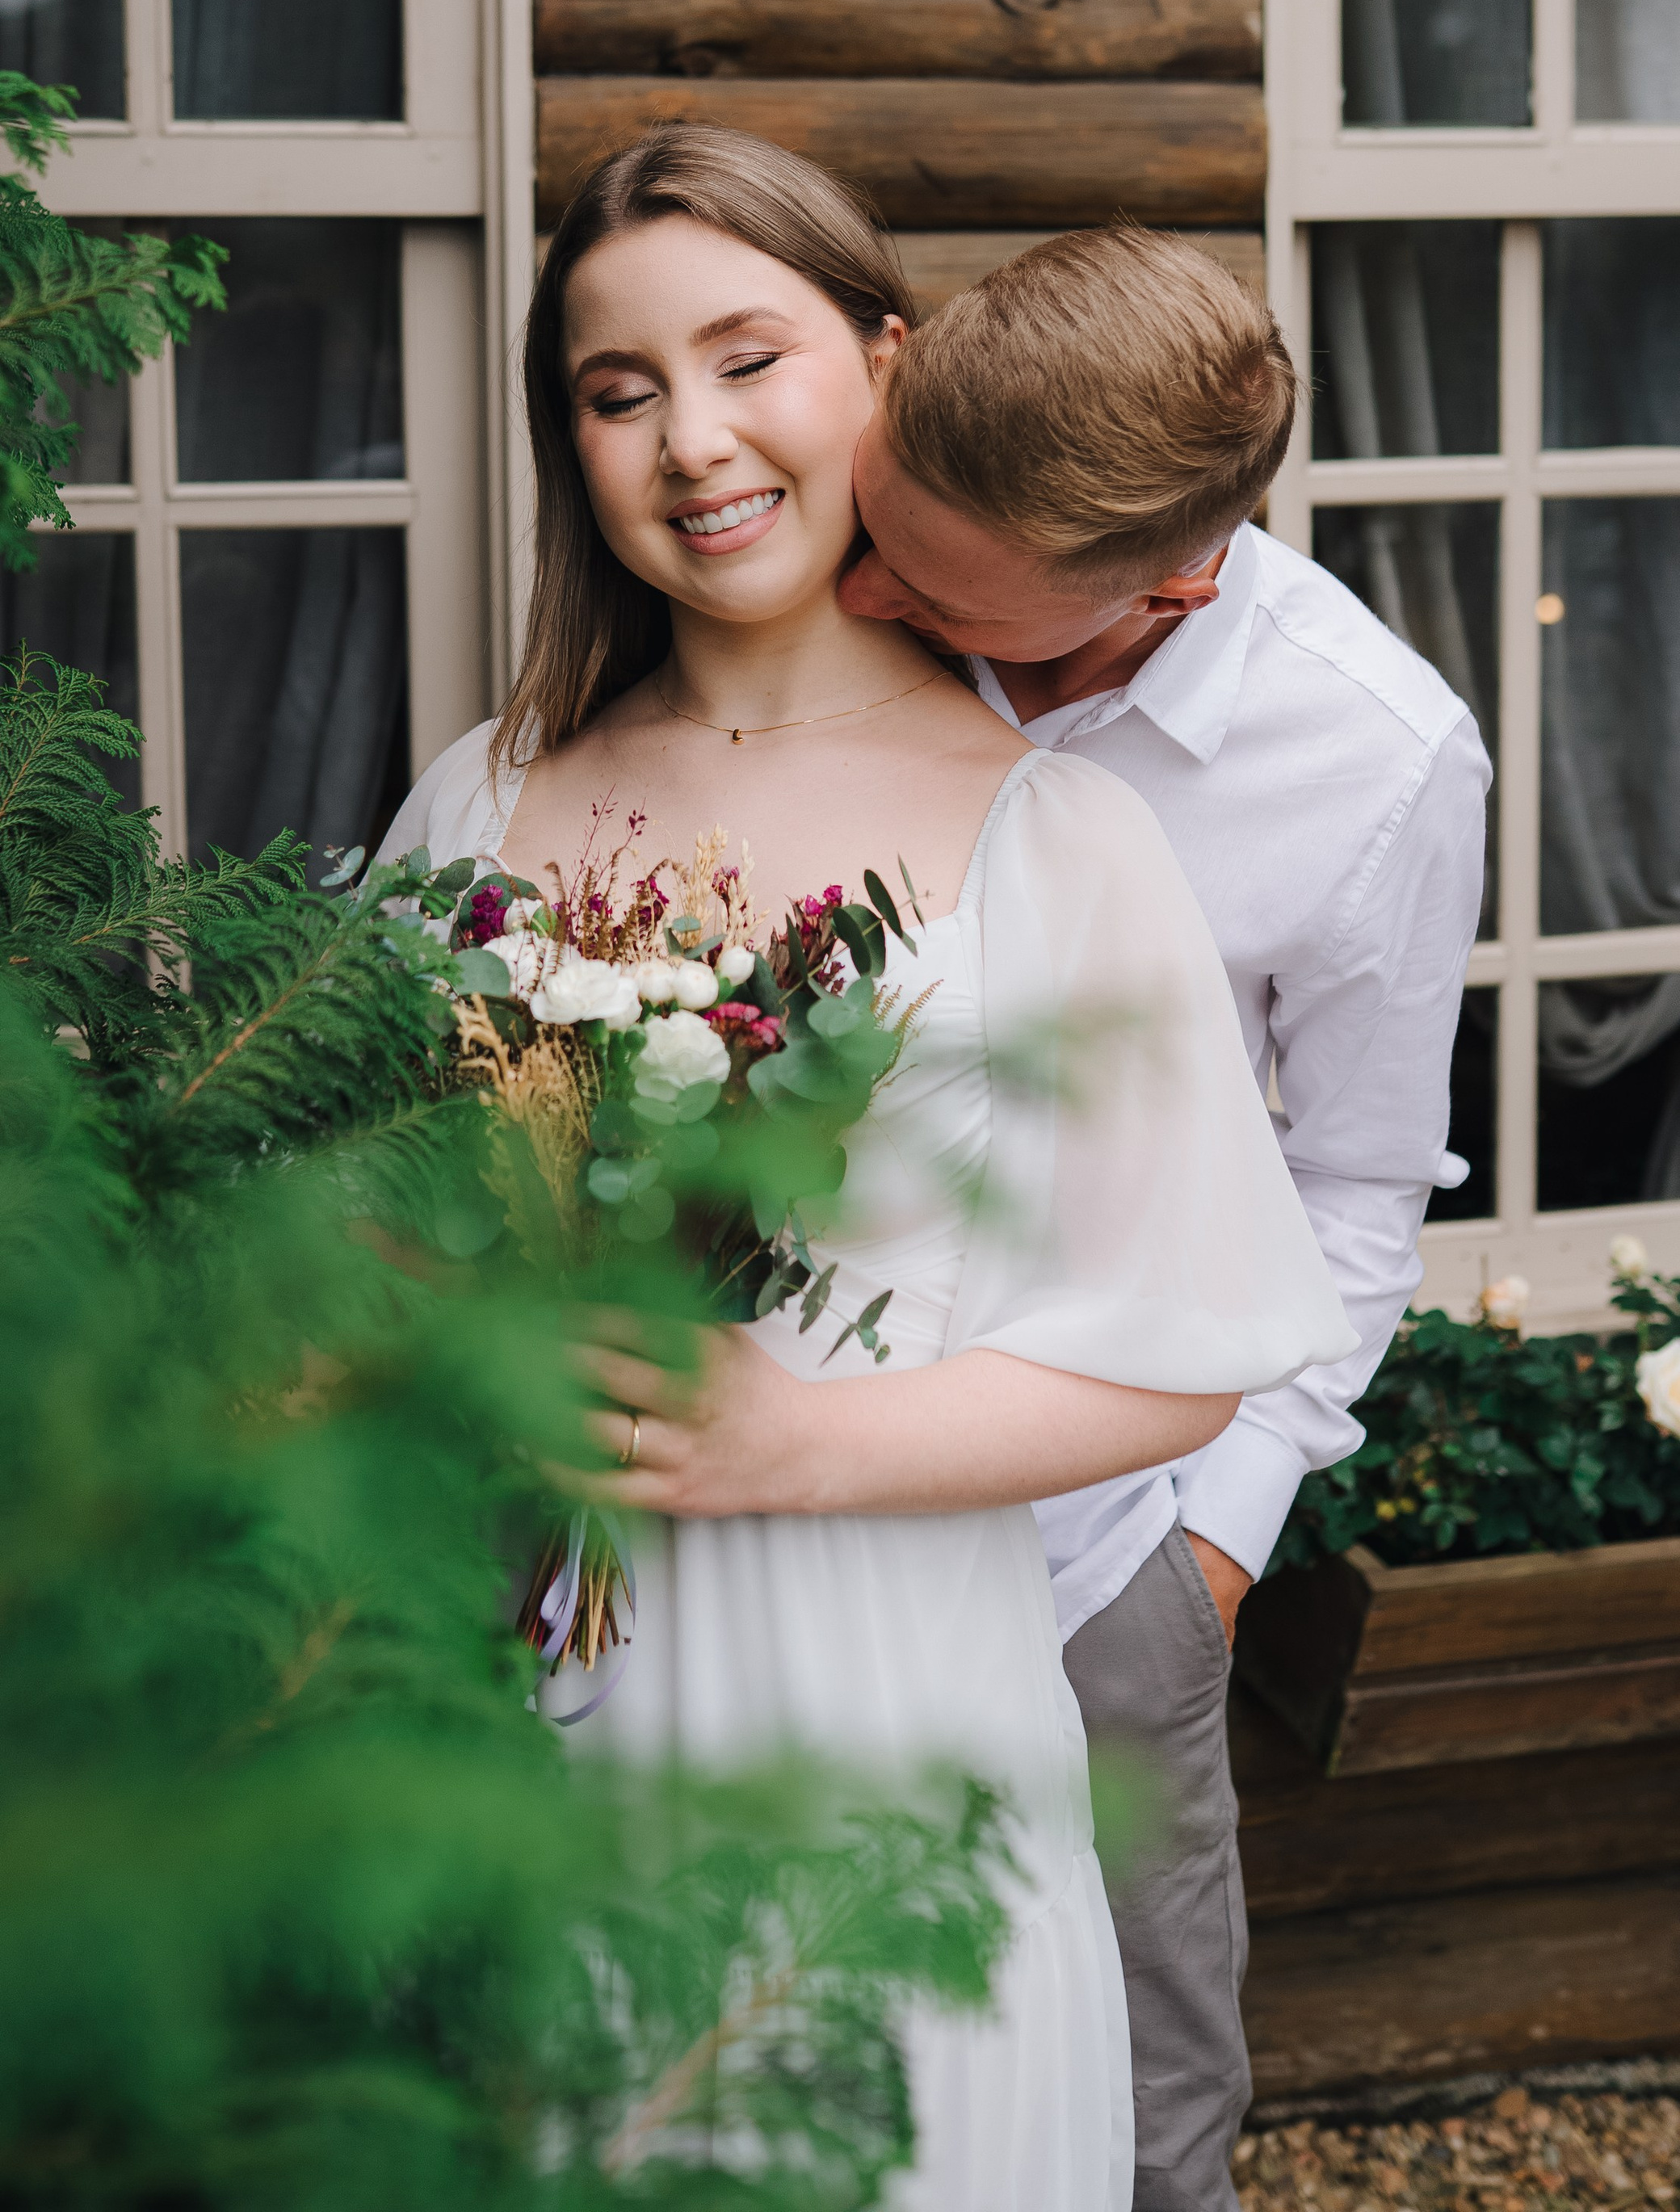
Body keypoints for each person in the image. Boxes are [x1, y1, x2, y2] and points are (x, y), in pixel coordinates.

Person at [381, 129, 1355, 2209]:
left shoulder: (1055, 833)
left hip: (890, 1688)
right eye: (614, 387)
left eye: (748, 357)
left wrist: (793, 1447)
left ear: (882, 365)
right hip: (522, 1697)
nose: (690, 440)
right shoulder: (480, 797)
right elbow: (362, 1214)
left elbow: (1186, 1359)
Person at [840, 226, 1490, 2212]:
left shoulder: (1375, 762)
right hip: (769, 1499)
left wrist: (1213, 1543)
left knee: (1138, 2110)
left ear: (1169, 580)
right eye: (872, 533)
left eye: (937, 601)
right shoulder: (827, 580)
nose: (854, 599)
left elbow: (1359, 1184)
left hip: (1101, 1548)